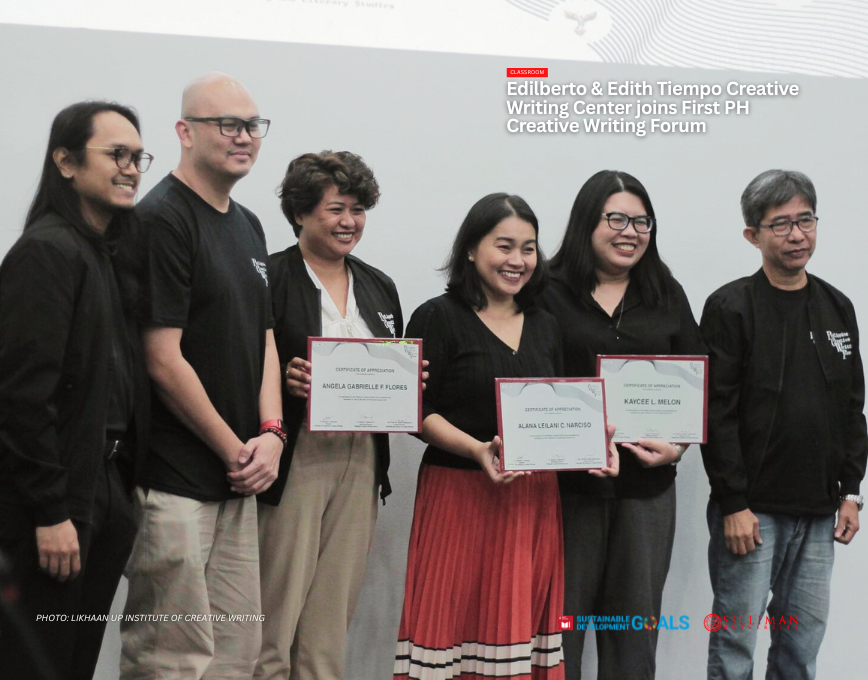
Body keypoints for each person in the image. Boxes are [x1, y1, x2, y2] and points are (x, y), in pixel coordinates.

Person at [394, 193, 618, 680]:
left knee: (519, 630)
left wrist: (595, 447)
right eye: (504, 246)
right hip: (458, 498)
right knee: (450, 623)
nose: (518, 260)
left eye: (529, 248)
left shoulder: (546, 325)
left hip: (531, 501)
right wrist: (477, 450)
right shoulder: (436, 316)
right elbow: (413, 411)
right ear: (471, 249)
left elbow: (558, 412)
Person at [0, 100, 151, 680]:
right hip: (57, 501)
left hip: (102, 488)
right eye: (116, 154)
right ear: (66, 162)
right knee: (37, 663)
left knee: (73, 663)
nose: (131, 169)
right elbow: (20, 400)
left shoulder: (104, 254)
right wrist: (50, 512)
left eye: (137, 157)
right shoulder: (47, 252)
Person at [120, 73, 285, 680]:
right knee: (171, 660)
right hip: (176, 481)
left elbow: (264, 338)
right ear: (185, 132)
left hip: (237, 478)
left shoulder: (249, 224)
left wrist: (273, 433)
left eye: (252, 125)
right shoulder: (161, 219)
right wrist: (237, 450)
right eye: (228, 124)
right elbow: (161, 358)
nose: (244, 137)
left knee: (235, 658)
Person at [700, 169, 867, 680]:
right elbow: (715, 412)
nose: (797, 235)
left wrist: (851, 492)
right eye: (781, 224)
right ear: (753, 235)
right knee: (735, 642)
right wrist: (733, 502)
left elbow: (852, 407)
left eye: (805, 220)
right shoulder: (730, 307)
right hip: (752, 513)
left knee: (801, 645)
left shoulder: (837, 306)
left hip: (818, 512)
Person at [540, 170, 704, 680]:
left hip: (645, 492)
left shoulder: (666, 294)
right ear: (586, 222)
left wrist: (677, 448)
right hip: (565, 491)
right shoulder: (545, 290)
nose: (630, 232)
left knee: (633, 636)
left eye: (641, 221)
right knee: (558, 632)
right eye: (616, 219)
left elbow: (696, 384)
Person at [253, 150, 405, 680]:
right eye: (336, 208)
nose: (349, 222)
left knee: (330, 618)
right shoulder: (268, 276)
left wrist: (406, 385)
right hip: (296, 455)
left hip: (362, 460)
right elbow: (242, 365)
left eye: (358, 210)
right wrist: (287, 381)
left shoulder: (380, 285)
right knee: (273, 613)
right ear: (299, 212)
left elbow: (391, 366)